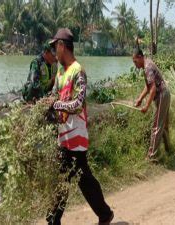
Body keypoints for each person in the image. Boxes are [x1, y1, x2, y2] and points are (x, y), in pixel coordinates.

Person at [45, 28, 114, 225]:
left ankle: (55, 219)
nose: (53, 52)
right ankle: (102, 213)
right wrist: (46, 106)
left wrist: (55, 105)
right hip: (64, 135)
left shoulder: (78, 71)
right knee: (72, 178)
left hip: (77, 135)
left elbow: (77, 104)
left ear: (61, 46)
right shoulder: (60, 71)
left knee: (76, 178)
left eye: (54, 47)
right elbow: (55, 96)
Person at [132, 48, 171, 159]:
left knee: (156, 126)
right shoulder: (147, 64)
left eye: (135, 61)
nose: (135, 65)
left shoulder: (147, 67)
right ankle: (169, 150)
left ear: (140, 57)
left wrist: (146, 106)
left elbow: (153, 89)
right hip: (165, 94)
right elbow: (148, 86)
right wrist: (140, 99)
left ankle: (152, 156)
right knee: (163, 125)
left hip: (162, 95)